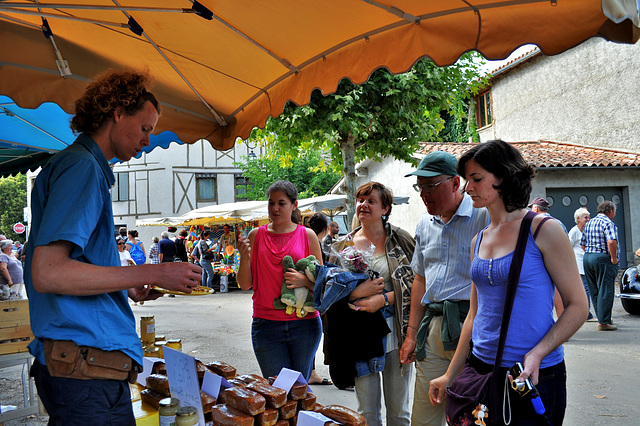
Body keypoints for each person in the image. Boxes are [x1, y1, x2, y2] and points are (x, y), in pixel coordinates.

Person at [24, 70, 202, 425]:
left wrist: (127, 283)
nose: (147, 141)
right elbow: (48, 272)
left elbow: (67, 266)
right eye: (145, 128)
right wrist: (155, 271)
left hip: (77, 368)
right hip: (85, 372)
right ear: (118, 112)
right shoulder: (82, 168)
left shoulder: (77, 165)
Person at [429, 140, 587, 425]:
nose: (468, 188)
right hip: (481, 371)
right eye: (467, 180)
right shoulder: (479, 239)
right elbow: (474, 315)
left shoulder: (543, 229)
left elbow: (577, 306)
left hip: (531, 374)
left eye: (476, 179)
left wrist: (538, 353)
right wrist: (450, 374)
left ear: (504, 177)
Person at [398, 150, 490, 426]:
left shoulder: (482, 217)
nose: (424, 194)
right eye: (420, 187)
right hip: (435, 326)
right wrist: (412, 333)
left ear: (455, 183)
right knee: (424, 415)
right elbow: (421, 279)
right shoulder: (425, 224)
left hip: (473, 327)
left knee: (473, 415)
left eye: (431, 186)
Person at [328, 182, 415, 426]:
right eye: (360, 200)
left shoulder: (402, 240)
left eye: (371, 201)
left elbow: (418, 285)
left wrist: (383, 299)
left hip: (396, 332)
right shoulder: (341, 246)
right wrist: (356, 293)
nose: (363, 205)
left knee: (399, 412)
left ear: (386, 208)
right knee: (366, 412)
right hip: (359, 336)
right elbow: (330, 295)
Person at [237, 180, 323, 381]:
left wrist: (305, 281)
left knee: (299, 390)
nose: (274, 208)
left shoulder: (307, 235)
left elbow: (322, 282)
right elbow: (244, 284)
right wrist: (244, 257)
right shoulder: (256, 235)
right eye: (271, 203)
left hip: (305, 324)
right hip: (266, 325)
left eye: (281, 203)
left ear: (294, 205)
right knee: (278, 391)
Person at [581, 200, 619, 331]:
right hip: (602, 257)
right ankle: (604, 323)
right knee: (606, 289)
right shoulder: (608, 222)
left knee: (594, 289)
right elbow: (611, 242)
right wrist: (613, 258)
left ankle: (603, 317)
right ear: (611, 211)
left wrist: (591, 253)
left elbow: (583, 244)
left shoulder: (589, 223)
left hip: (588, 257)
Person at [305, 213, 333, 386]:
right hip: (315, 296)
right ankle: (311, 372)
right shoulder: (316, 244)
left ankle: (311, 371)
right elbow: (320, 274)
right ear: (324, 229)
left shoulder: (301, 239)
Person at [568, 207, 594, 321]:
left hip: (588, 263)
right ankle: (586, 312)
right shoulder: (574, 231)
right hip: (579, 264)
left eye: (589, 217)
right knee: (585, 288)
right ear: (578, 219)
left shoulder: (589, 230)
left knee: (588, 287)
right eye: (585, 217)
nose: (588, 219)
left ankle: (586, 311)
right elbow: (568, 246)